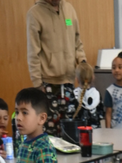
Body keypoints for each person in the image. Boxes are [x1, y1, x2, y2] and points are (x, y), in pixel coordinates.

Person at [26, 0, 86, 136]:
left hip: (68, 82)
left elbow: (77, 41)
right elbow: (33, 53)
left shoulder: (69, 9)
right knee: (50, 130)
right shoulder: (34, 14)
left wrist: (82, 62)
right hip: (47, 83)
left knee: (70, 130)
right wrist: (37, 84)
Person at [104, 51, 122, 129]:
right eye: (114, 68)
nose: (116, 70)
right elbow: (108, 114)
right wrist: (108, 131)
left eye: (120, 67)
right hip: (115, 131)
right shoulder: (109, 91)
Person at [73, 61, 103, 128]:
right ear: (93, 77)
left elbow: (70, 115)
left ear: (77, 80)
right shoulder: (97, 94)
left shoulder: (73, 95)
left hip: (79, 133)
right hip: (96, 133)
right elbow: (101, 115)